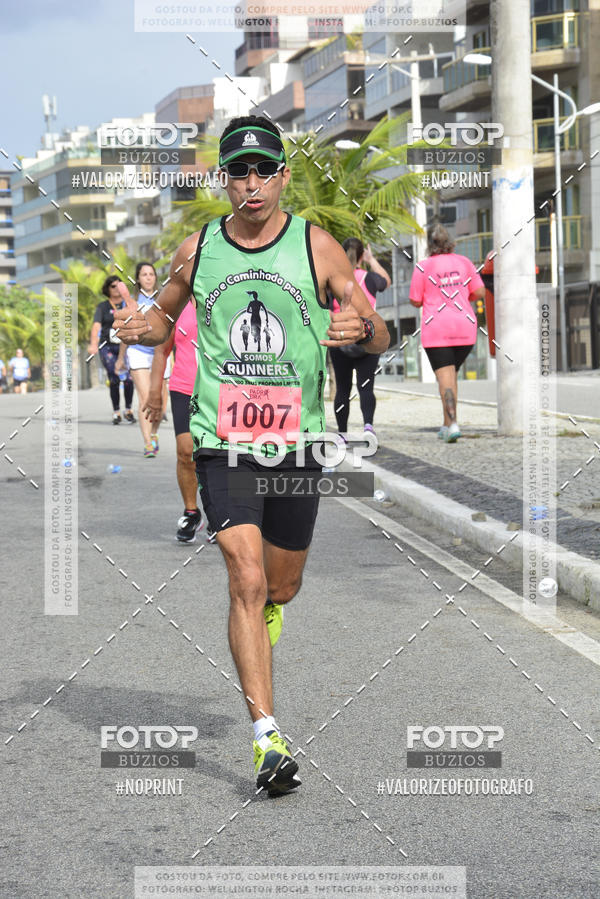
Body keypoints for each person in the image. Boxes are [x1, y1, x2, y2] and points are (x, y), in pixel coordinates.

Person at [113, 114, 390, 797]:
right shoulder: (199, 247)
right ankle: (267, 737)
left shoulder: (316, 245)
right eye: (238, 171)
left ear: (283, 176)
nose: (251, 183)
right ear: (224, 180)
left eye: (263, 169)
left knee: (281, 584)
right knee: (244, 574)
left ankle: (268, 610)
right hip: (223, 441)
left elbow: (378, 331)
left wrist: (362, 329)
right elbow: (162, 315)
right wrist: (137, 324)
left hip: (296, 442)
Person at [409, 223, 485, 442]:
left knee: (445, 378)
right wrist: (461, 297)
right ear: (450, 242)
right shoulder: (464, 262)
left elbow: (415, 300)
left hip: (437, 329)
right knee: (451, 377)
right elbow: (479, 291)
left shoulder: (423, 267)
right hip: (464, 327)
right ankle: (447, 424)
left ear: (430, 245)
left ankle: (452, 424)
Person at [144, 298, 206, 543]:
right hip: (184, 388)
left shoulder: (224, 293)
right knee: (185, 451)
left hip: (222, 390)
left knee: (217, 454)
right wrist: (154, 393)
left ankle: (219, 513)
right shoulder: (177, 304)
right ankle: (192, 512)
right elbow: (161, 350)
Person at [329, 239, 390, 438]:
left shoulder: (335, 279)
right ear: (362, 256)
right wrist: (372, 261)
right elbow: (386, 281)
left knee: (342, 389)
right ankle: (368, 428)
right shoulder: (369, 279)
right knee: (366, 386)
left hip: (340, 337)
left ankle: (342, 434)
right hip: (366, 335)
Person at [115, 262, 168, 457]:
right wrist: (121, 357)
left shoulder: (165, 299)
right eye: (144, 274)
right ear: (138, 279)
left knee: (161, 402)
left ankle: (154, 433)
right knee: (146, 397)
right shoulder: (132, 302)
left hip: (161, 353)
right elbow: (125, 332)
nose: (148, 277)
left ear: (155, 277)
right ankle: (147, 443)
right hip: (137, 352)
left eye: (151, 274)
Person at [88, 276, 135, 424]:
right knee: (114, 379)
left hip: (126, 346)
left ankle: (128, 409)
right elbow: (96, 326)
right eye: (113, 286)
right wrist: (93, 344)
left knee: (128, 379)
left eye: (119, 285)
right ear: (108, 289)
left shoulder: (128, 305)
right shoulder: (103, 307)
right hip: (107, 347)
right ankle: (116, 412)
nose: (117, 288)